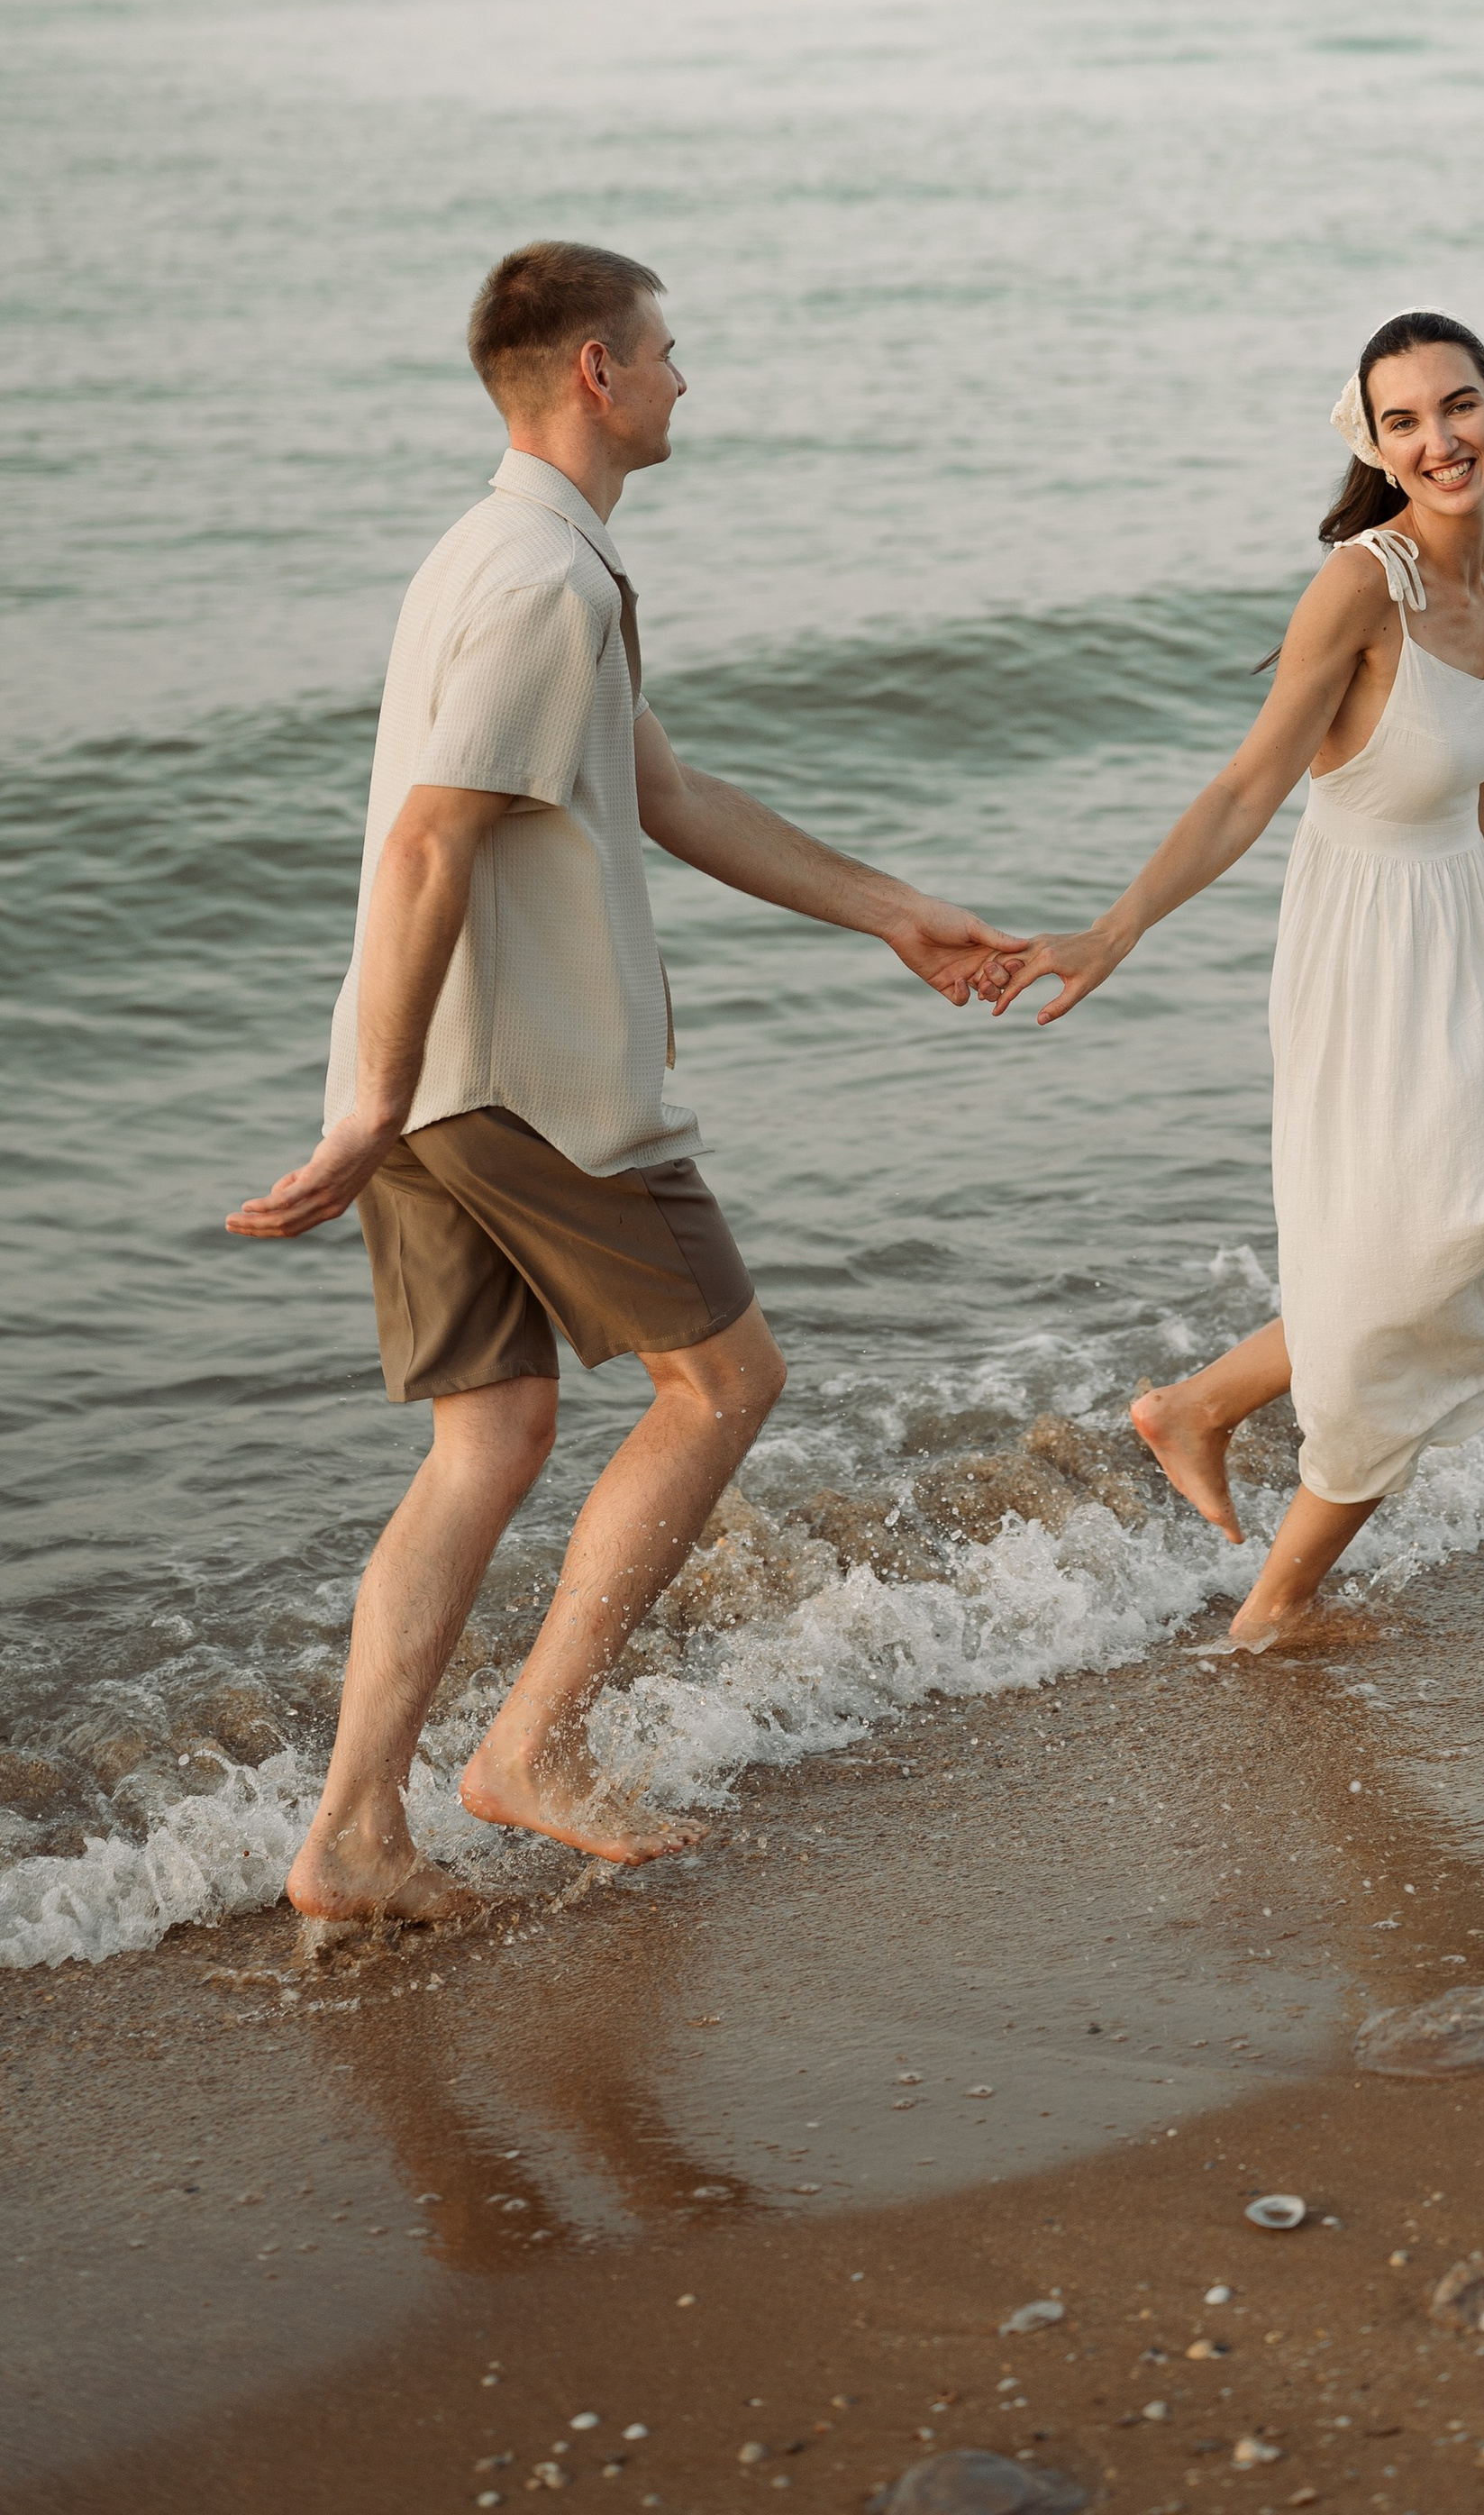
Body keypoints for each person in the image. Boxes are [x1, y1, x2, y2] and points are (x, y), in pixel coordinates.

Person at [229, 241, 1015, 1923]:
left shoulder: (497, 552)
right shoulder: (548, 585)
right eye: (665, 350)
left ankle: (353, 1840)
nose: (682, 378)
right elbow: (432, 840)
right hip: (525, 1084)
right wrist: (370, 1111)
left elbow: (664, 790)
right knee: (723, 1384)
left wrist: (893, 910)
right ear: (597, 369)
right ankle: (534, 1747)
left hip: (431, 1074)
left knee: (491, 1436)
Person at [988, 311, 1484, 1648]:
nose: (1439, 439)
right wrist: (1113, 931)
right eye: (1405, 420)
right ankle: (1272, 1598)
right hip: (1363, 948)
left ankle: (1198, 1411)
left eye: (1459, 405)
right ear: (1377, 445)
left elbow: (1470, 773)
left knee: (1437, 1256)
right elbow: (1245, 789)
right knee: (1409, 1268)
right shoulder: (1359, 585)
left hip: (1463, 926)